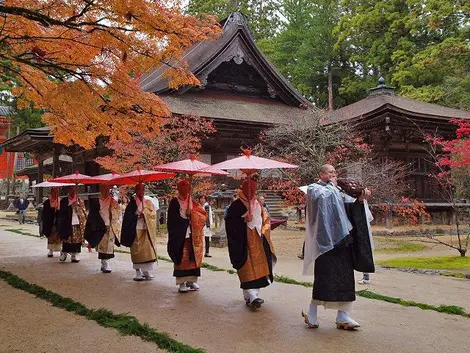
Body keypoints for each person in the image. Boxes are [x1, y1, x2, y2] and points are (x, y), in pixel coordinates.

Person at [301, 164, 374, 330]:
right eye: (329, 172)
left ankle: (343, 316)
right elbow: (321, 203)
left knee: (345, 279)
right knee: (324, 279)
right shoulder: (314, 189)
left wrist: (360, 200)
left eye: (335, 172)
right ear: (321, 173)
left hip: (343, 241)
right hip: (325, 243)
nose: (333, 174)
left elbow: (347, 210)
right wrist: (334, 188)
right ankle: (312, 314)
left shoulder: (338, 190)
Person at [225, 179, 276, 309]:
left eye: (253, 189)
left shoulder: (257, 204)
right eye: (249, 189)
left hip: (258, 239)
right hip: (243, 240)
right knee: (247, 267)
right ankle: (252, 296)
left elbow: (266, 220)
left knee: (259, 268)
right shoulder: (236, 206)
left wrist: (264, 231)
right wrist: (242, 219)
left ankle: (252, 295)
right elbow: (230, 222)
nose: (252, 191)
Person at [167, 181, 207, 293]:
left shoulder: (193, 202)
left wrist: (193, 215)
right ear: (179, 190)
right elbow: (172, 220)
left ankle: (191, 280)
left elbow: (203, 215)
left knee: (192, 258)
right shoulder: (174, 203)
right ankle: (182, 282)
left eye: (187, 190)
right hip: (180, 235)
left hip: (192, 234)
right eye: (183, 190)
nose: (185, 193)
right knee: (182, 258)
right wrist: (185, 221)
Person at [120, 183, 157, 281]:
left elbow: (152, 214)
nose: (141, 192)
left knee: (147, 251)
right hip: (135, 229)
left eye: (143, 190)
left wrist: (145, 214)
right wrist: (136, 215)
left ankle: (146, 271)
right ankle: (137, 272)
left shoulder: (148, 202)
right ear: (136, 191)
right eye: (139, 190)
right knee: (136, 251)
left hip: (146, 228)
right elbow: (128, 218)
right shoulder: (132, 204)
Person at [85, 184, 122, 273]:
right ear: (100, 190)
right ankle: (104, 262)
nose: (105, 191)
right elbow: (92, 215)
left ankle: (105, 262)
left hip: (111, 225)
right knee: (102, 245)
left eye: (106, 188)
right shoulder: (96, 202)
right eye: (102, 189)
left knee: (109, 245)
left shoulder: (113, 201)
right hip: (100, 226)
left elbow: (118, 212)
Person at [58, 186, 87, 263]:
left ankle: (74, 255)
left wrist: (76, 207)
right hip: (67, 223)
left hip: (77, 222)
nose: (73, 191)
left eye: (74, 189)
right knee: (67, 239)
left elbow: (83, 212)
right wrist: (69, 206)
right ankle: (64, 253)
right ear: (68, 190)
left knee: (77, 240)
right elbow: (61, 213)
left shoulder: (80, 201)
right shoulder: (64, 201)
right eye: (71, 189)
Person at [41, 189, 62, 258]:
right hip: (51, 222)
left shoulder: (61, 201)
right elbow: (45, 214)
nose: (55, 193)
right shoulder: (47, 202)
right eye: (54, 192)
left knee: (60, 236)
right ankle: (50, 250)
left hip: (59, 221)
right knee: (51, 236)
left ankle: (61, 250)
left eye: (56, 192)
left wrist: (58, 210)